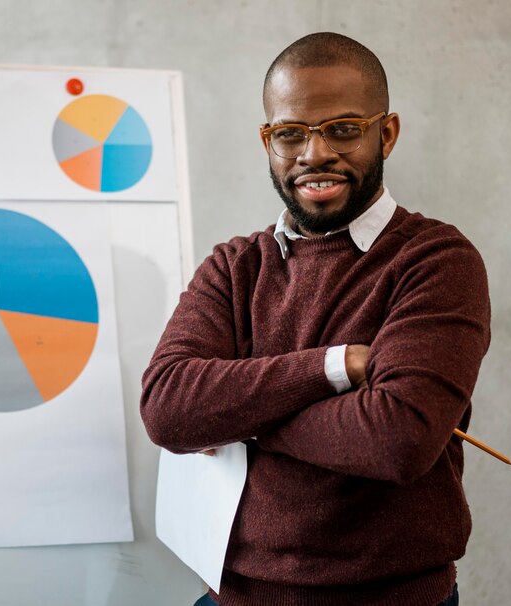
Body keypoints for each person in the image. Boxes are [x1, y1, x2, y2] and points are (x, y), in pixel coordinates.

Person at [140, 32, 490, 606]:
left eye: (344, 129)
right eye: (290, 134)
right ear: (267, 140)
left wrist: (238, 417)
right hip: (232, 596)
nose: (314, 153)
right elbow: (166, 408)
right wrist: (335, 366)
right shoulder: (233, 267)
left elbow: (397, 438)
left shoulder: (436, 261)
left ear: (387, 133)